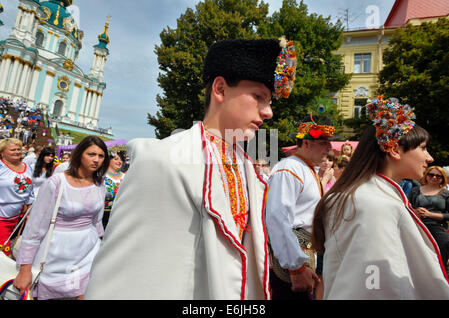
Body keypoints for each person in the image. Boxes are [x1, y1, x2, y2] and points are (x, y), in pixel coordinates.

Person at [86, 37, 298, 300]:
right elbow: (120, 275)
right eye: (258, 97)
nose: (268, 113)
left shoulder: (250, 172)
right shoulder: (162, 160)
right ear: (220, 88)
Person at [312, 97, 449, 299]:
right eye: (422, 148)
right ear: (394, 150)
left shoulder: (371, 194)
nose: (429, 158)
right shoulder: (373, 203)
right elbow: (373, 283)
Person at [13, 136, 109, 300]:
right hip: (55, 253)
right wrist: (25, 269)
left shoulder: (100, 184)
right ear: (80, 154)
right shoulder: (57, 183)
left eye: (101, 156)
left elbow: (97, 222)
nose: (97, 160)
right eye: (91, 154)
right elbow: (35, 228)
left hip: (87, 252)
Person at [265, 113, 342, 300]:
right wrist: (296, 268)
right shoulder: (289, 169)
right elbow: (278, 218)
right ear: (306, 143)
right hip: (293, 259)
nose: (329, 148)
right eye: (323, 142)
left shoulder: (306, 168)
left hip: (305, 251)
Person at [408, 166, 449, 274]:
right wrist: (415, 211)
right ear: (426, 176)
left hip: (437, 227)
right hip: (417, 225)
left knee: (443, 248)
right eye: (431, 175)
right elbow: (406, 207)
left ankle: (441, 276)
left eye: (438, 176)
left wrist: (430, 214)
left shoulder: (445, 193)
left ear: (443, 178)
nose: (434, 177)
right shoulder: (415, 190)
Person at [0, 138, 34, 257]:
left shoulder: (27, 167)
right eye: (13, 149)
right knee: (5, 253)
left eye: (19, 149)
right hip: (2, 217)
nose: (17, 152)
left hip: (19, 217)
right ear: (2, 152)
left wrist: (29, 212)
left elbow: (30, 192)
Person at [102, 149, 126, 230]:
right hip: (103, 216)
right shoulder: (101, 176)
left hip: (121, 215)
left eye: (121, 159)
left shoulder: (126, 176)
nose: (119, 161)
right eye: (116, 159)